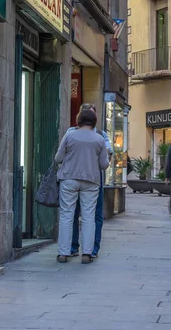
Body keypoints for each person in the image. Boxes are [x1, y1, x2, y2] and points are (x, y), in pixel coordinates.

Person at [55, 109, 109, 264]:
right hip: (91, 181)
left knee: (66, 215)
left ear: (78, 120)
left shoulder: (69, 135)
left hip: (69, 179)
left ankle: (63, 253)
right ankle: (87, 253)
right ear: (94, 122)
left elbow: (58, 158)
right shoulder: (99, 139)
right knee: (88, 217)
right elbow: (103, 165)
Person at [68, 103, 113, 258]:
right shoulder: (71, 132)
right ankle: (73, 247)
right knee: (73, 213)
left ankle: (93, 248)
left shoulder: (101, 135)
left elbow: (108, 156)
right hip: (76, 177)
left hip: (94, 179)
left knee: (95, 214)